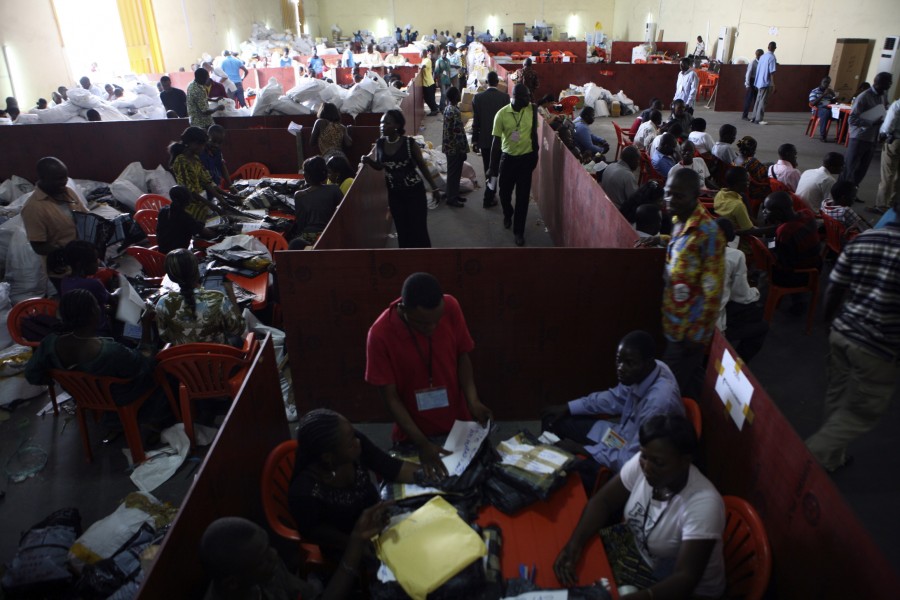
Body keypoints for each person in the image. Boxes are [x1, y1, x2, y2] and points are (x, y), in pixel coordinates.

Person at [554, 414, 726, 599]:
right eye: (644, 455)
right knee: (578, 574)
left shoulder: (703, 505)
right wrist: (574, 546)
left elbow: (686, 578)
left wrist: (645, 596)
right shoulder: (644, 462)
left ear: (685, 461)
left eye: (658, 463)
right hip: (643, 554)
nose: (646, 467)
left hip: (685, 590)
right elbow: (602, 502)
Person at [365, 273, 492, 479]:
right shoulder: (379, 335)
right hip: (413, 434)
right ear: (403, 310)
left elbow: (462, 355)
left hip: (458, 426)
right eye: (423, 324)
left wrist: (473, 400)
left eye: (437, 321)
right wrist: (422, 443)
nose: (432, 328)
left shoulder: (451, 306)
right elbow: (390, 398)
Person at [805, 212, 900, 472]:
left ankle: (832, 458)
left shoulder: (863, 240)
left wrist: (828, 324)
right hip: (878, 348)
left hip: (843, 333)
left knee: (837, 394)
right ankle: (808, 461)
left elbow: (835, 287)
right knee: (859, 412)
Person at [541, 330, 682, 488]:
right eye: (618, 360)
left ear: (648, 364)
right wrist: (569, 406)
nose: (621, 368)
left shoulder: (658, 403)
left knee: (572, 470)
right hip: (619, 436)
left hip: (630, 463)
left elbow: (632, 460)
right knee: (554, 419)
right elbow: (614, 398)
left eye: (629, 363)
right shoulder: (651, 369)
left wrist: (583, 450)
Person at [25, 289, 172, 430]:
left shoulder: (49, 343)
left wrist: (60, 378)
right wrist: (146, 326)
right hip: (120, 396)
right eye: (97, 305)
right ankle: (156, 418)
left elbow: (32, 374)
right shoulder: (110, 351)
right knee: (161, 365)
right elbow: (143, 362)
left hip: (83, 396)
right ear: (93, 314)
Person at [287, 409, 420, 560]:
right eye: (350, 442)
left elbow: (390, 466)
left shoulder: (353, 442)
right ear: (328, 458)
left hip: (381, 525)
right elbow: (341, 543)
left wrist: (435, 475)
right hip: (349, 551)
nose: (357, 441)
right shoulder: (305, 495)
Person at [638, 169, 724, 396]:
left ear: (695, 196)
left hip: (687, 334)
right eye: (668, 194)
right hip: (671, 320)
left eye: (679, 196)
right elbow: (682, 249)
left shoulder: (709, 234)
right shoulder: (679, 220)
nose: (670, 201)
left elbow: (712, 292)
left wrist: (696, 336)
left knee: (663, 389)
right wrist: (660, 239)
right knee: (689, 381)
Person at [200, 507, 390, 600]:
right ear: (232, 583)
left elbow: (313, 596)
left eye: (269, 547)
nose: (274, 555)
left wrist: (356, 540)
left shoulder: (264, 569)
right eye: (264, 559)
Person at [361, 110, 442, 248]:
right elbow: (381, 166)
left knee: (419, 230)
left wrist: (434, 187)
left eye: (387, 122)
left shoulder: (409, 144)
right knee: (402, 231)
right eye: (381, 122)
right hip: (395, 195)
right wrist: (368, 161)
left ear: (397, 125)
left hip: (414, 193)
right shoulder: (380, 144)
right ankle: (406, 262)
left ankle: (425, 260)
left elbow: (422, 166)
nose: (382, 125)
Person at [156, 249, 245, 346]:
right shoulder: (218, 299)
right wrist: (230, 293)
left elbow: (165, 337)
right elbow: (238, 329)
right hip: (219, 357)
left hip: (184, 359)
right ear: (197, 271)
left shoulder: (162, 304)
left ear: (170, 277)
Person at [21, 157, 89, 284]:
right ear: (43, 178)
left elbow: (85, 216)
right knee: (76, 299)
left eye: (65, 177)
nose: (64, 182)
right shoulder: (33, 208)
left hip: (82, 260)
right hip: (64, 269)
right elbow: (38, 246)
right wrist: (67, 250)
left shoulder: (67, 192)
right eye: (59, 179)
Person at [489, 83, 539, 247]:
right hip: (508, 159)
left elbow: (534, 134)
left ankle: (519, 231)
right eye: (526, 97)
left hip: (526, 159)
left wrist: (534, 155)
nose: (529, 99)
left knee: (523, 198)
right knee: (504, 193)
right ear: (516, 97)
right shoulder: (501, 115)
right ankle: (507, 212)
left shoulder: (532, 110)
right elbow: (495, 143)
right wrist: (492, 167)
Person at [715, 218, 768, 362]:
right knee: (761, 324)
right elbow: (741, 296)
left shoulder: (692, 250)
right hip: (713, 325)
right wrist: (757, 291)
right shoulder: (734, 255)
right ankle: (736, 365)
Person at [761, 192, 822, 293]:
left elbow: (781, 260)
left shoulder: (785, 231)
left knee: (767, 251)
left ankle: (797, 301)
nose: (763, 211)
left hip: (802, 274)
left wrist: (769, 231)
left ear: (779, 213)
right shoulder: (807, 213)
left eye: (767, 210)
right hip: (817, 264)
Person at [168, 126, 232, 221]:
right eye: (200, 145)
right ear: (189, 143)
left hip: (202, 206)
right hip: (190, 209)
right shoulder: (181, 161)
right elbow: (189, 191)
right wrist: (214, 207)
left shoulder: (195, 158)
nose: (202, 148)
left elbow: (207, 182)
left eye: (203, 145)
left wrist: (224, 198)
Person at [842, 72, 894, 186]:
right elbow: (852, 119)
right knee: (850, 167)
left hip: (873, 137)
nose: (891, 84)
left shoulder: (883, 95)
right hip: (859, 137)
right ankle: (842, 192)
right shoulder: (864, 96)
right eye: (889, 82)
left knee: (862, 169)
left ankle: (853, 192)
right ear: (879, 82)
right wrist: (870, 122)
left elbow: (885, 107)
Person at [60, 241, 114, 337]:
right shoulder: (93, 284)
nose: (98, 261)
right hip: (99, 331)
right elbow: (111, 300)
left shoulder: (65, 281)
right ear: (80, 264)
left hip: (77, 331)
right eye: (94, 260)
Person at [471, 71, 509, 208]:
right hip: (501, 140)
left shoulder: (478, 98)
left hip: (485, 140)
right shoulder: (505, 98)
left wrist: (474, 140)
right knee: (498, 169)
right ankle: (490, 195)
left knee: (488, 167)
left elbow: (476, 121)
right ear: (497, 83)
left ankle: (490, 194)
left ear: (486, 82)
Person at [292, 156, 343, 246]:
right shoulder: (334, 189)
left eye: (304, 172)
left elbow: (301, 223)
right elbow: (342, 215)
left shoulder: (299, 195)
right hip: (330, 234)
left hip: (309, 237)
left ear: (307, 176)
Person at [156, 186, 215, 254]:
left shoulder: (163, 211)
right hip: (177, 257)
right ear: (188, 200)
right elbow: (207, 233)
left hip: (162, 253)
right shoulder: (184, 217)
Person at [442, 87, 468, 208]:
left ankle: (454, 194)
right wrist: (462, 149)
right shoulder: (455, 111)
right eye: (458, 94)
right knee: (454, 173)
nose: (459, 96)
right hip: (455, 148)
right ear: (455, 97)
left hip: (448, 145)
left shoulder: (447, 108)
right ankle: (451, 198)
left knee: (455, 172)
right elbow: (458, 132)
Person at [875, 98, 900, 213]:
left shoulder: (897, 105)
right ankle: (894, 203)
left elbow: (889, 123)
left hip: (895, 141)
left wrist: (883, 134)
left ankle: (882, 205)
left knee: (888, 174)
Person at [735, 136, 768, 206]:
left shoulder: (735, 158)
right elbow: (762, 177)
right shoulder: (752, 161)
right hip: (754, 190)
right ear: (752, 150)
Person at [751, 41, 777, 125]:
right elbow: (772, 72)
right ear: (775, 48)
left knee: (758, 100)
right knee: (763, 101)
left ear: (768, 47)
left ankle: (754, 117)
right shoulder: (772, 57)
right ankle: (759, 119)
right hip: (765, 82)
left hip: (758, 81)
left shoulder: (763, 56)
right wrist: (773, 84)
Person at [200, 124, 231, 189]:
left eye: (220, 143)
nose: (216, 145)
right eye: (213, 141)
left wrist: (231, 186)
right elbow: (206, 181)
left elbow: (222, 167)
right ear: (207, 138)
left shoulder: (218, 152)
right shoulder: (201, 153)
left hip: (216, 187)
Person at [808, 76, 837, 142]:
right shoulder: (815, 91)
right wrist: (823, 95)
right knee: (825, 112)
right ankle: (822, 135)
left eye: (828, 83)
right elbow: (812, 103)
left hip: (830, 108)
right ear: (821, 82)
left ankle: (841, 136)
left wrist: (833, 96)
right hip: (818, 109)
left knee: (844, 114)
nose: (826, 84)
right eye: (825, 82)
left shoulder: (830, 91)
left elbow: (835, 102)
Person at [742, 49, 764, 121]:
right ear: (756, 54)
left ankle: (755, 116)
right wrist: (747, 84)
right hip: (751, 81)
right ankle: (744, 115)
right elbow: (748, 74)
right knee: (749, 99)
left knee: (756, 100)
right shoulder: (752, 62)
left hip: (757, 82)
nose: (759, 56)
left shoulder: (762, 62)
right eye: (758, 54)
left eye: (760, 54)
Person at [420, 49, 438, 116]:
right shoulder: (424, 60)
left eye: (420, 53)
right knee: (430, 98)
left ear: (424, 53)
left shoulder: (427, 60)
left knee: (428, 98)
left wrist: (418, 66)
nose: (420, 54)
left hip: (429, 83)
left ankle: (434, 110)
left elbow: (423, 66)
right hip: (427, 83)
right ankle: (434, 109)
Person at [434, 48, 452, 112]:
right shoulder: (438, 61)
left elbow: (449, 71)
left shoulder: (448, 60)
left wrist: (450, 79)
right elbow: (436, 72)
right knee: (443, 94)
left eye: (445, 53)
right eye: (443, 53)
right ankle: (442, 108)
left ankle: (448, 108)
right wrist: (437, 81)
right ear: (440, 54)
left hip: (447, 79)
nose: (444, 54)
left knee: (448, 94)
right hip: (441, 80)